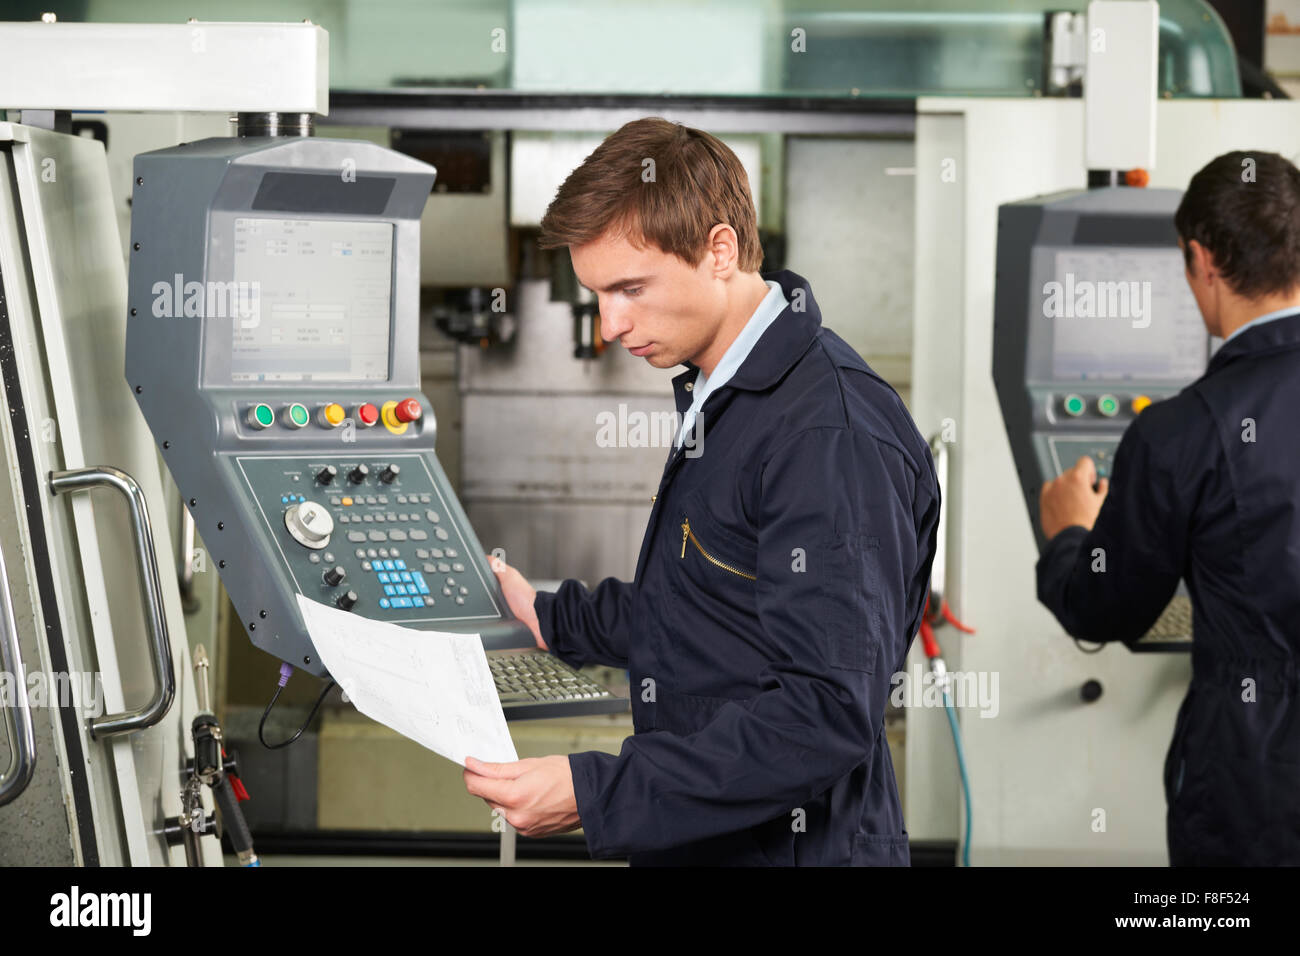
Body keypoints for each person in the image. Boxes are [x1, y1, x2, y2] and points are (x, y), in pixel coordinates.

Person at [461, 117, 939, 865]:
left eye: (630, 289)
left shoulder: (828, 433)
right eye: (597, 295)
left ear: (719, 250)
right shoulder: (730, 392)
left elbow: (824, 713)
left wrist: (598, 794)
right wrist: (555, 618)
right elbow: (711, 608)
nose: (612, 323)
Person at [1037, 150, 1300, 866]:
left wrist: (1069, 535)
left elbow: (1105, 606)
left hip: (1254, 792)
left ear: (1200, 259)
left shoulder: (1180, 432)